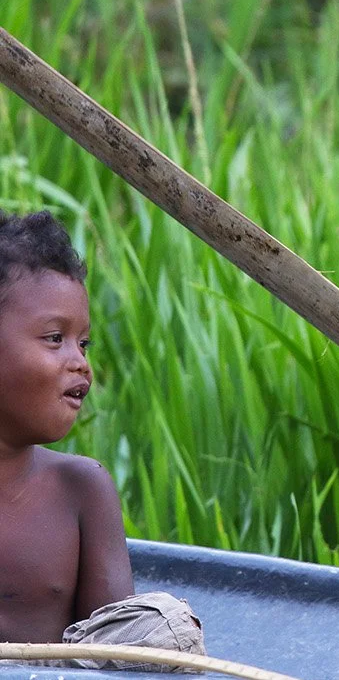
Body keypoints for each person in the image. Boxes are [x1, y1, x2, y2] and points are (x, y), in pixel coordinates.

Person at [0, 210, 204, 671]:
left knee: (162, 627)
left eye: (84, 343)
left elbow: (114, 658)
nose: (81, 363)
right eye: (56, 338)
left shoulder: (80, 489)